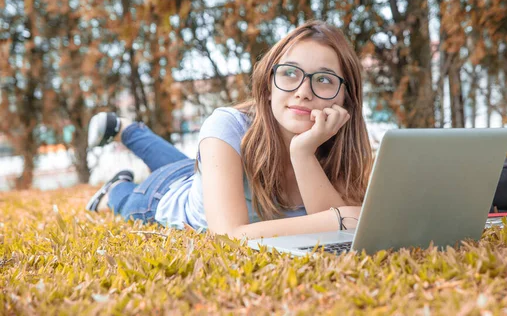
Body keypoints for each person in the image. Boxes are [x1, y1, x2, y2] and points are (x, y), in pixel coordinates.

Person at [86, 20, 373, 239]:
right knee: (129, 197)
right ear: (269, 86)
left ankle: (125, 129)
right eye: (289, 73)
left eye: (323, 79)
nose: (303, 91)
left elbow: (343, 234)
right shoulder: (227, 125)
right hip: (161, 197)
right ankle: (115, 181)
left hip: (204, 175)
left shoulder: (337, 144)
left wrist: (302, 152)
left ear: (346, 96)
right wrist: (337, 218)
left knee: (187, 168)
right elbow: (227, 235)